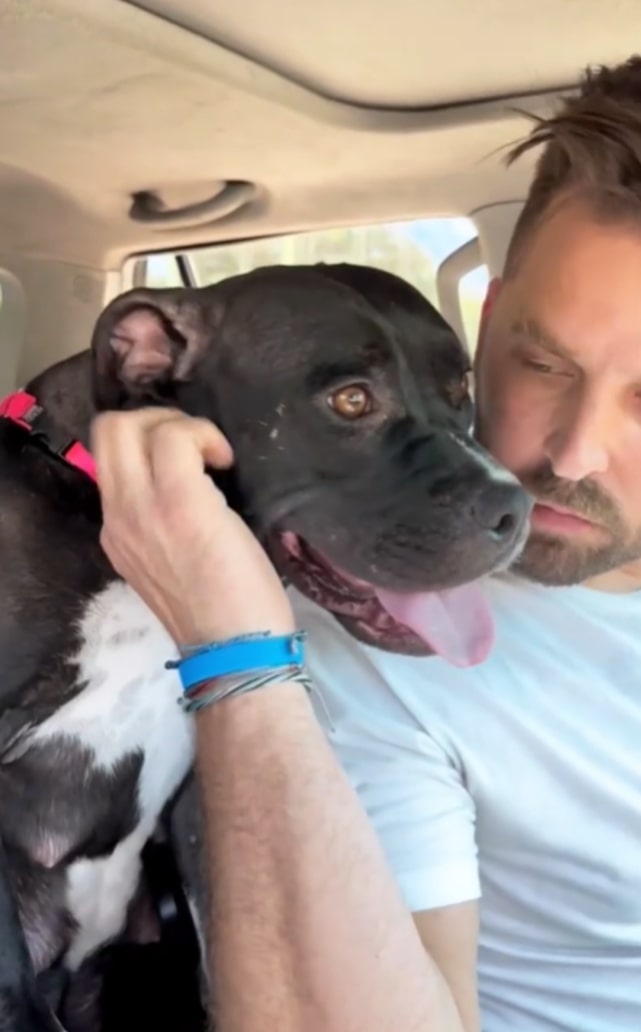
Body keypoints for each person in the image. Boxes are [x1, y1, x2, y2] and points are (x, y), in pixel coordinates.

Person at [93, 54, 641, 1032]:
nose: (573, 449)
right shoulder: (378, 622)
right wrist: (240, 653)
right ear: (487, 315)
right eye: (540, 361)